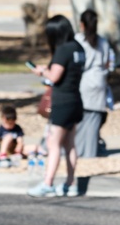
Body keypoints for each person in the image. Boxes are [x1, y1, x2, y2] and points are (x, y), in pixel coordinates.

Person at [26, 15, 86, 198]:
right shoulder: (78, 48)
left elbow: (54, 77)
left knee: (53, 144)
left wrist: (42, 71)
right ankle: (70, 183)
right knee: (70, 145)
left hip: (62, 103)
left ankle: (48, 183)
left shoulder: (62, 50)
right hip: (76, 100)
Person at [74, 9, 115, 158]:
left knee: (80, 119)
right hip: (99, 81)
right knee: (94, 121)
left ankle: (78, 150)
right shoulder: (103, 42)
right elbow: (109, 63)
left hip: (84, 82)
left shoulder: (78, 40)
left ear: (82, 24)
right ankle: (90, 151)